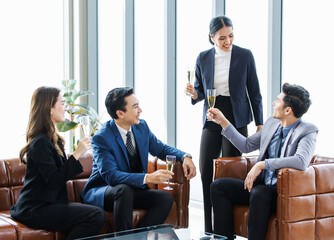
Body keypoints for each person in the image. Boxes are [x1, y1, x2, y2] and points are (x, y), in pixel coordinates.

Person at [207, 83, 318, 240]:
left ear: (288, 110)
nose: (274, 103)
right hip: (261, 186)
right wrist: (223, 122)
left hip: (283, 192)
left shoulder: (307, 130)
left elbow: (301, 161)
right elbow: (247, 145)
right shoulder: (272, 123)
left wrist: (263, 164)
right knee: (219, 186)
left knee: (259, 193)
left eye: (277, 100)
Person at [184, 15, 263, 232]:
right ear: (212, 37)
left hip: (236, 117)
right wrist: (193, 94)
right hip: (212, 114)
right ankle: (209, 230)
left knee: (230, 172)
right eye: (222, 38)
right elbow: (200, 92)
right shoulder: (203, 58)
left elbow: (255, 92)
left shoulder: (245, 56)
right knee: (206, 169)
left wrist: (260, 124)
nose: (227, 42)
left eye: (231, 36)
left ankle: (225, 230)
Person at [81, 87, 196, 232]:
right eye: (135, 107)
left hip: (130, 191)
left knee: (164, 199)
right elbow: (111, 176)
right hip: (104, 191)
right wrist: (147, 177)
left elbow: (160, 149)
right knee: (124, 190)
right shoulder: (102, 138)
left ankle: (138, 237)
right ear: (120, 113)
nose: (140, 110)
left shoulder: (141, 127)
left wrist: (185, 156)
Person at [10, 87, 106, 240]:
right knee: (95, 215)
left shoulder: (53, 139)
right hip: (36, 208)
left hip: (51, 204)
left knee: (96, 213)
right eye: (62, 103)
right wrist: (77, 153)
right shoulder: (40, 142)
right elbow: (55, 180)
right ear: (49, 109)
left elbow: (63, 173)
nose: (65, 108)